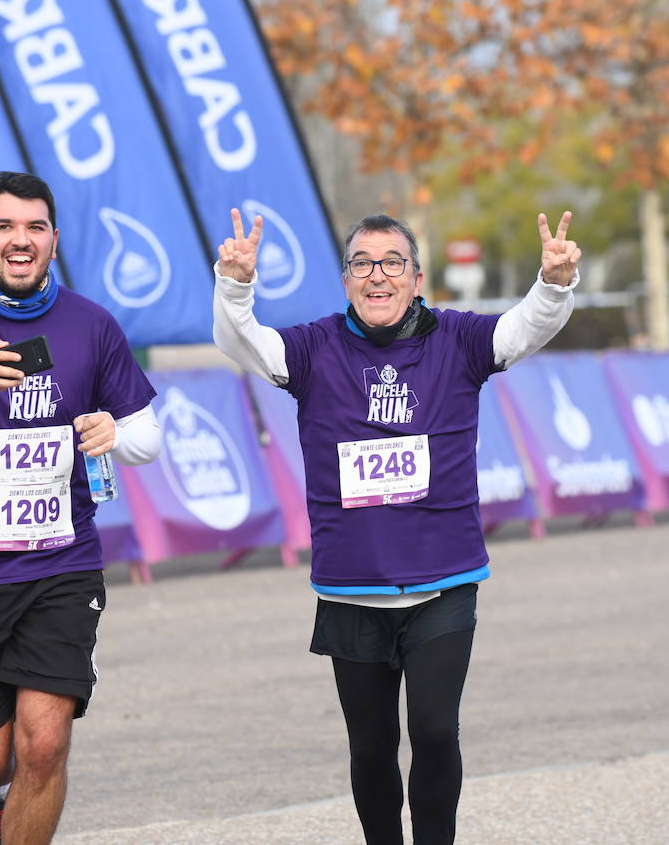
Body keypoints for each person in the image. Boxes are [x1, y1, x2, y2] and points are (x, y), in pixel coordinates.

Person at [214, 207, 579, 844]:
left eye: (391, 264)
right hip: (350, 587)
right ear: (347, 279)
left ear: (416, 277)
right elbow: (243, 343)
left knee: (436, 731)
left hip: (444, 580)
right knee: (372, 749)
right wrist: (236, 287)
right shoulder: (314, 347)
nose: (376, 276)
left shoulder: (458, 340)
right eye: (362, 264)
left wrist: (552, 285)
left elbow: (523, 330)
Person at [0, 171, 162, 844]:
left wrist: (116, 434)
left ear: (53, 238)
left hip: (61, 564)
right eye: (6, 227)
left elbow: (148, 435)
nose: (21, 240)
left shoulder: (91, 324)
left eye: (35, 227)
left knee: (44, 746)